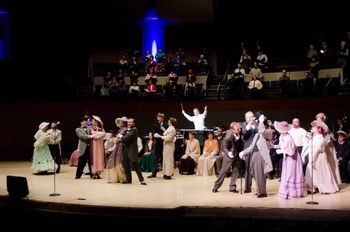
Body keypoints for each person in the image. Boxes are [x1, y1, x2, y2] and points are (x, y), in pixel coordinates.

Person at [274, 121, 306, 199]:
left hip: (292, 158)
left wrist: (281, 151)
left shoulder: (288, 138)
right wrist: (273, 146)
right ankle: (287, 192)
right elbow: (282, 145)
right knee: (286, 174)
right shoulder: (282, 136)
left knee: (291, 175)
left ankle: (292, 193)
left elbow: (291, 152)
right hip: (287, 157)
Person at [212, 122, 243, 193]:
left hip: (236, 155)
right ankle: (216, 186)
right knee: (223, 171)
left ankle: (232, 187)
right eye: (237, 129)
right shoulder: (228, 136)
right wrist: (229, 153)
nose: (239, 130)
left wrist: (241, 152)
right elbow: (224, 147)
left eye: (239, 128)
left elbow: (240, 143)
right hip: (229, 155)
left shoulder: (239, 132)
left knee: (235, 171)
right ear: (233, 130)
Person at [116, 118, 147, 185]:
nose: (129, 123)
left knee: (135, 165)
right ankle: (128, 179)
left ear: (134, 123)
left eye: (130, 122)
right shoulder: (127, 130)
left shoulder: (134, 130)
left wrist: (120, 136)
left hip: (132, 150)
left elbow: (126, 138)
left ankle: (142, 180)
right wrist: (121, 136)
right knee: (126, 165)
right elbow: (122, 136)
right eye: (128, 122)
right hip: (126, 150)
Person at [148, 112, 168, 178]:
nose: (158, 118)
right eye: (157, 117)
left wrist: (162, 133)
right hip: (158, 144)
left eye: (159, 117)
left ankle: (165, 173)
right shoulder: (155, 125)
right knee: (155, 159)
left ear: (162, 118)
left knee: (164, 159)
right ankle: (154, 173)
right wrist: (154, 135)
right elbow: (153, 132)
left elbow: (168, 133)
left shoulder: (166, 125)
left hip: (165, 144)